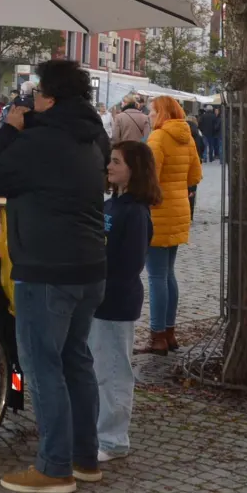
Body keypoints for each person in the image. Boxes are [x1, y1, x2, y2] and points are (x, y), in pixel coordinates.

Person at [0, 60, 109, 492]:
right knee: (76, 360)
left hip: (47, 268)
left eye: (36, 93)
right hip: (89, 266)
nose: (30, 99)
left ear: (50, 98)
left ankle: (54, 469)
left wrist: (9, 130)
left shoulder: (40, 140)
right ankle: (85, 458)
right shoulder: (93, 135)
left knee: (43, 367)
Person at [88, 140, 157, 464]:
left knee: (114, 371)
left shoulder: (135, 212)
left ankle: (114, 440)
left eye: (116, 161)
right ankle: (99, 431)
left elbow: (130, 263)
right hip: (97, 301)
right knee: (98, 368)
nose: (109, 166)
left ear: (134, 169)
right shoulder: (111, 205)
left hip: (116, 302)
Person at [142, 96, 201, 355]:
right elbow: (194, 176)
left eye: (152, 111)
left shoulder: (157, 138)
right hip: (179, 210)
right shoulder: (187, 137)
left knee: (156, 276)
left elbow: (149, 178)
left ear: (161, 112)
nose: (149, 115)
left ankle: (157, 336)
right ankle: (169, 332)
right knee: (168, 274)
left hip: (158, 211)